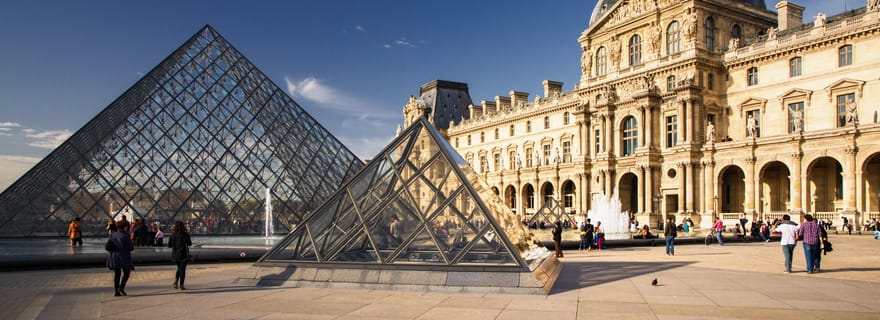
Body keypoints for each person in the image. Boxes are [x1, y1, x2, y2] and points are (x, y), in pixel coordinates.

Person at [107, 220, 134, 296]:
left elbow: (108, 245)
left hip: (114, 256)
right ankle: (121, 287)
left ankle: (116, 291)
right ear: (125, 227)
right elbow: (131, 247)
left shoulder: (113, 235)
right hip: (124, 256)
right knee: (127, 272)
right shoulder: (126, 235)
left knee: (117, 274)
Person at [168, 221, 192, 290]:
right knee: (182, 269)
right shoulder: (185, 235)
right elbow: (190, 244)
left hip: (175, 254)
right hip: (183, 254)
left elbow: (169, 245)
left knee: (179, 268)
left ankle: (176, 281)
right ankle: (181, 285)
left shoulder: (172, 235)